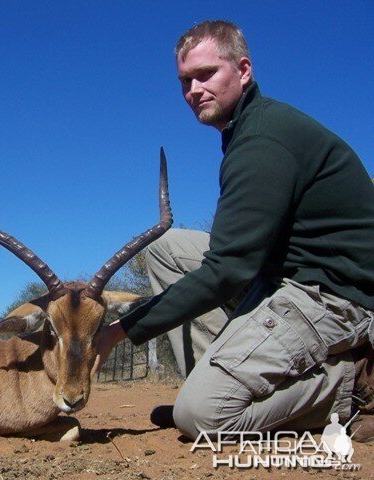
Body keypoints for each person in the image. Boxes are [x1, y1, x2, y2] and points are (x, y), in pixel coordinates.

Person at [95, 20, 374, 442]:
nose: (193, 90)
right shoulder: (247, 130)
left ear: (243, 71)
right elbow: (235, 260)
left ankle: (356, 386)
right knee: (166, 247)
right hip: (285, 273)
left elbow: (228, 270)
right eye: (185, 80)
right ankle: (218, 383)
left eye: (207, 74)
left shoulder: (263, 138)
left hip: (336, 295)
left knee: (201, 420)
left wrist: (118, 332)